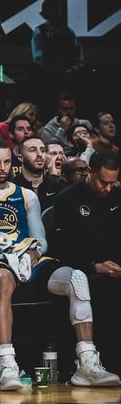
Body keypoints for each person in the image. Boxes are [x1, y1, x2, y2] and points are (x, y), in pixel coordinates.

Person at [0, 139, 119, 390]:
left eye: (7, 161)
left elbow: (41, 239)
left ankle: (86, 362)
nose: (2, 167)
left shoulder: (26, 195)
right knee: (1, 280)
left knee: (77, 278)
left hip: (27, 257)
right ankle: (7, 365)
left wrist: (32, 252)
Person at [53, 149, 121, 376]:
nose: (108, 188)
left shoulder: (117, 196)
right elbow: (64, 248)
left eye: (113, 183)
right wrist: (95, 265)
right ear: (90, 173)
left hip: (116, 267)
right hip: (84, 266)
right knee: (102, 286)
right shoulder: (67, 198)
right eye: (104, 182)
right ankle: (100, 363)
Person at [31, 0, 84, 108]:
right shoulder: (39, 31)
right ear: (47, 10)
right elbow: (38, 58)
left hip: (68, 81)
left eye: (59, 7)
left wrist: (73, 69)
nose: (57, 11)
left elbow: (79, 57)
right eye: (54, 7)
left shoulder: (69, 32)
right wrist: (56, 72)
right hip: (47, 81)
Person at [13, 137, 65, 211]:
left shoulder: (58, 189)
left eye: (43, 150)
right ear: (21, 158)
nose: (39, 154)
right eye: (32, 150)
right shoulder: (11, 190)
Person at [7, 114, 34, 179]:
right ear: (11, 134)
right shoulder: (7, 159)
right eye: (20, 129)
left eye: (29, 129)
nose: (26, 132)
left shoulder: (38, 158)